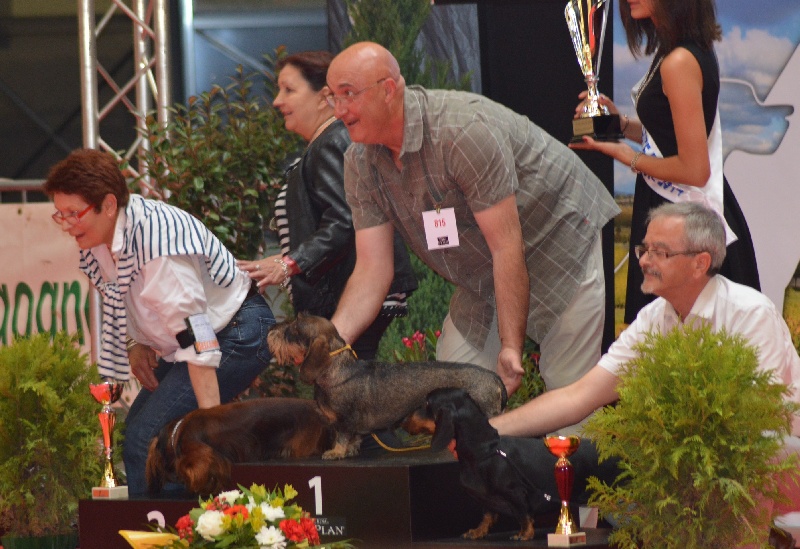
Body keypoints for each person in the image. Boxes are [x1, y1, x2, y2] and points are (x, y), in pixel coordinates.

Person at [325, 42, 620, 410]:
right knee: (455, 399)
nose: (338, 111)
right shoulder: (359, 162)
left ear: (387, 90)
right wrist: (327, 347)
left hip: (558, 241)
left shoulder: (461, 131)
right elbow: (372, 269)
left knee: (568, 400)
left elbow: (507, 247)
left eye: (347, 95)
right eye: (331, 97)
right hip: (484, 275)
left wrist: (511, 348)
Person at [490, 202, 800, 541]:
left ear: (701, 263)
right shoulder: (654, 320)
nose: (643, 260)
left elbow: (754, 421)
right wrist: (488, 429)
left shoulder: (749, 313)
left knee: (753, 449)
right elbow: (578, 396)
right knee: (626, 473)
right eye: (644, 248)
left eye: (660, 252)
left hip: (774, 459)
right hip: (692, 463)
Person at [43, 149, 275, 495]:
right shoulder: (101, 236)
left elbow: (198, 337)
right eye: (60, 215)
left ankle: (172, 535)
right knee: (136, 429)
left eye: (74, 214)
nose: (67, 225)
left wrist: (212, 423)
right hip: (205, 336)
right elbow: (120, 294)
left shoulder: (156, 246)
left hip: (236, 332)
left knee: (149, 440)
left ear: (108, 205)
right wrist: (136, 344)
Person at [570, 0, 760, 324]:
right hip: (676, 217)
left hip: (687, 227)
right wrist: (617, 124)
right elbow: (668, 135)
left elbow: (694, 170)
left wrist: (630, 158)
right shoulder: (677, 51)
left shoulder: (679, 61)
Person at [237, 50, 416, 360]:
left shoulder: (332, 143)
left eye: (289, 90)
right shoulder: (324, 146)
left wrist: (289, 263)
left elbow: (344, 220)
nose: (277, 101)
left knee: (346, 398)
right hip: (347, 295)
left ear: (323, 98)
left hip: (357, 297)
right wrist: (285, 259)